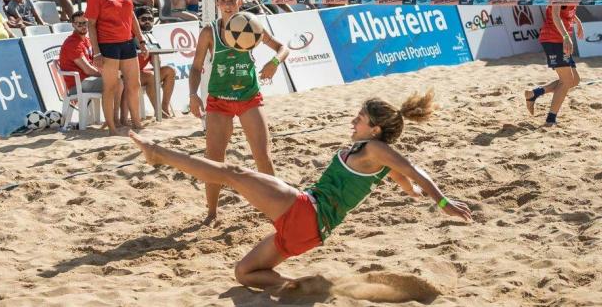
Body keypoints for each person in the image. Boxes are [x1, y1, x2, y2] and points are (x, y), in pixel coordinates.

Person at [132, 88, 471, 287]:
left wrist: (441, 202)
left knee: (232, 172)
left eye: (360, 118)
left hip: (308, 211)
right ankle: (296, 287)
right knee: (245, 272)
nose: (353, 120)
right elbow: (405, 178)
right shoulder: (375, 157)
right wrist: (413, 192)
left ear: (376, 130)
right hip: (311, 230)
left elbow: (414, 170)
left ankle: (159, 154)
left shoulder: (377, 150)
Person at [188, 0, 288, 224]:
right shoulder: (209, 32)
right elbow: (195, 67)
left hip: (248, 97)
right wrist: (193, 94)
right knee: (214, 160)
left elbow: (282, 48)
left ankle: (277, 209)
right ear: (217, 3)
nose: (227, 3)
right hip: (219, 100)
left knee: (262, 156)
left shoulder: (252, 25)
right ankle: (211, 213)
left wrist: (274, 63)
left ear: (240, 1)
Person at [85, 0, 148, 134]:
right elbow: (91, 24)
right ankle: (112, 127)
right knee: (111, 87)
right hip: (108, 44)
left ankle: (136, 123)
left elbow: (132, 15)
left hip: (127, 41)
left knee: (134, 84)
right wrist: (96, 52)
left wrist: (141, 40)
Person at [526, 0, 585, 126]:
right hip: (553, 36)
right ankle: (551, 119)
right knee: (567, 81)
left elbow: (569, 9)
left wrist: (577, 21)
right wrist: (567, 37)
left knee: (574, 80)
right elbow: (555, 13)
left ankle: (534, 94)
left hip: (563, 34)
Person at [59, 10, 104, 95]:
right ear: (73, 24)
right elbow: (88, 70)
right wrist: (108, 74)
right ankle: (114, 109)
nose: (83, 26)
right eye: (79, 24)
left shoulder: (87, 40)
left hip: (89, 79)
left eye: (85, 23)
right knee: (115, 82)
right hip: (78, 85)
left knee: (124, 80)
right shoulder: (72, 43)